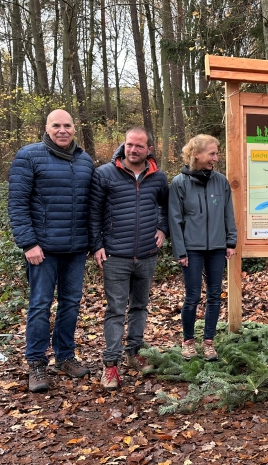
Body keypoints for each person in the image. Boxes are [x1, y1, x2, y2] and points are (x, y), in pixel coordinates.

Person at [8, 109, 94, 392]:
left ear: (74, 128)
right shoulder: (29, 156)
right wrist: (28, 243)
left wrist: (94, 243)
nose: (62, 130)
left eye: (67, 125)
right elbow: (18, 204)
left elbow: (91, 207)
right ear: (46, 128)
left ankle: (65, 356)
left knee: (71, 303)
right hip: (42, 250)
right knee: (40, 305)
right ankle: (36, 363)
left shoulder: (84, 161)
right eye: (56, 125)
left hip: (76, 249)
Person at [89, 128, 169, 390]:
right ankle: (110, 365)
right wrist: (97, 245)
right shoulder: (104, 174)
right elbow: (94, 213)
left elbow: (166, 207)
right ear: (123, 145)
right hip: (115, 255)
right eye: (129, 144)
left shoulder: (158, 177)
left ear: (149, 149)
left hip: (146, 254)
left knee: (140, 307)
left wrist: (162, 228)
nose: (133, 150)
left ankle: (135, 352)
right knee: (115, 310)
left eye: (139, 146)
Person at [168, 135, 237, 361]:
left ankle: (209, 342)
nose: (216, 158)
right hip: (192, 249)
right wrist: (180, 250)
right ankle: (188, 342)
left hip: (217, 247)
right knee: (193, 296)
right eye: (212, 154)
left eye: (216, 153)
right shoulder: (179, 182)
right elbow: (174, 220)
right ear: (196, 154)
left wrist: (230, 241)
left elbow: (228, 213)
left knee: (215, 295)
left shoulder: (221, 181)